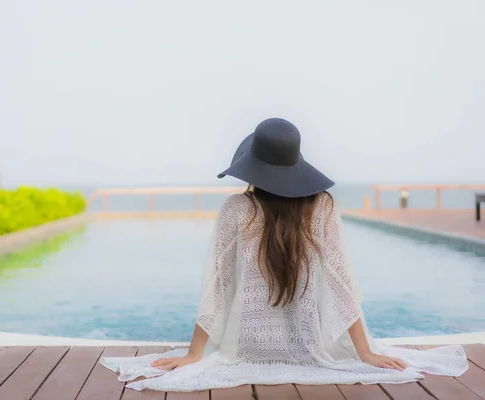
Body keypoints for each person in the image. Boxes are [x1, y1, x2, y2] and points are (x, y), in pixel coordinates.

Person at [101, 118, 468, 392]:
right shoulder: (321, 207)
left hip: (245, 349)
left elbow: (218, 287)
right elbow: (340, 284)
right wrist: (365, 352)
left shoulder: (236, 209)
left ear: (251, 166)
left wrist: (195, 354)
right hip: (312, 348)